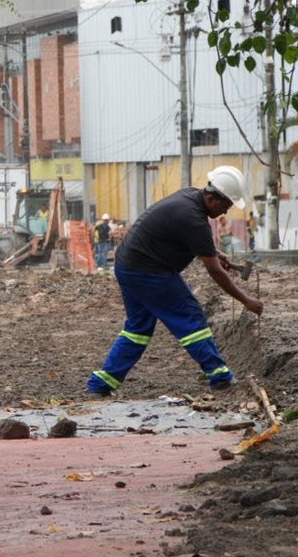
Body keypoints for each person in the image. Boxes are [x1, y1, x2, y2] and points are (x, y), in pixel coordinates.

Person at [87, 165, 263, 396]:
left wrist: (214, 253)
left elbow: (183, 238)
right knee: (190, 317)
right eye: (225, 206)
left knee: (137, 329)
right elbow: (216, 273)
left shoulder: (189, 196)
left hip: (127, 266)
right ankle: (219, 375)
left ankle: (101, 385)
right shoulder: (194, 220)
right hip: (149, 271)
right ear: (211, 198)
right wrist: (246, 300)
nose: (225, 212)